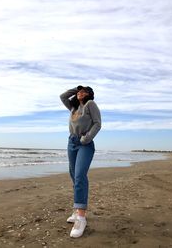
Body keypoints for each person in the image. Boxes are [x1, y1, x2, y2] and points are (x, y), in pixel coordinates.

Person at [60, 85, 101, 238]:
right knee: (73, 176)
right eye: (79, 91)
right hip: (71, 142)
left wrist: (86, 138)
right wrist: (76, 89)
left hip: (84, 143)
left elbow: (97, 123)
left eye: (84, 91)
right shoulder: (73, 107)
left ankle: (81, 218)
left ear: (90, 94)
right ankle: (77, 211)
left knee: (79, 176)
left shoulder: (91, 105)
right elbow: (63, 96)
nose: (80, 92)